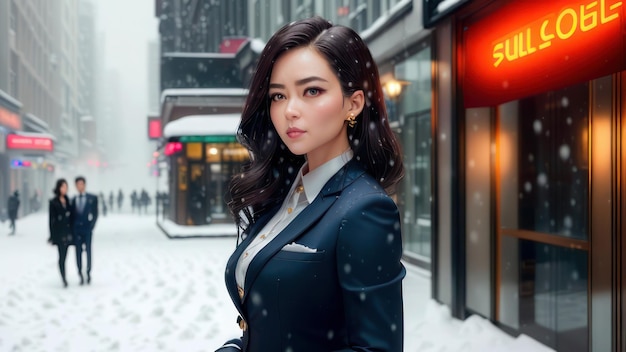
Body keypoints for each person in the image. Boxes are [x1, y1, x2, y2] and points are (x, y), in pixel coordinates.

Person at [217, 17, 405, 352]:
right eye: (278, 96)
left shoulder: (364, 210)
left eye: (312, 91)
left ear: (354, 103)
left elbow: (376, 349)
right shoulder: (283, 192)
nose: (290, 110)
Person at [71, 176, 98, 285]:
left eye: (82, 184)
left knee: (88, 251)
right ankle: (80, 273)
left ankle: (88, 271)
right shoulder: (73, 200)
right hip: (77, 229)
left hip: (87, 229)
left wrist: (91, 225)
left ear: (85, 185)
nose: (80, 186)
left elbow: (95, 213)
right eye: (78, 184)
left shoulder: (92, 198)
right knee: (78, 252)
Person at [48, 179, 73, 288]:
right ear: (58, 188)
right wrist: (52, 235)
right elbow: (51, 220)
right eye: (62, 187)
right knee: (61, 255)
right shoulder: (53, 202)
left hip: (68, 232)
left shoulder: (68, 200)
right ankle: (63, 277)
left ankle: (64, 275)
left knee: (65, 254)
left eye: (66, 187)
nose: (64, 189)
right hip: (59, 232)